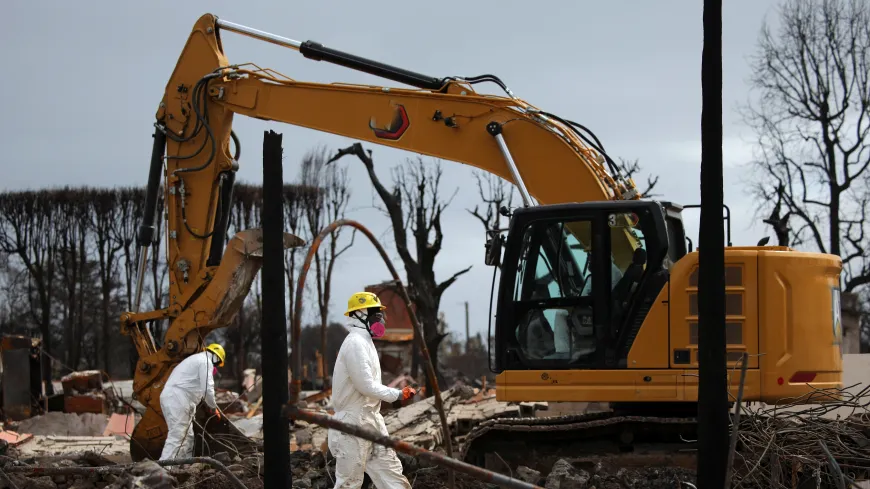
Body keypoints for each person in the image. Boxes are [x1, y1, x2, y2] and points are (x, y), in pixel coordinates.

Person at [329, 292, 416, 489]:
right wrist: (397, 394)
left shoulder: (366, 342)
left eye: (380, 314)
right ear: (359, 314)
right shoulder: (354, 343)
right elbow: (365, 386)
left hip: (371, 421)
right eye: (375, 313)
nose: (380, 319)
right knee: (349, 483)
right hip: (352, 425)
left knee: (391, 475)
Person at [158, 343, 226, 461]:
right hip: (177, 398)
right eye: (218, 364)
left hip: (178, 398)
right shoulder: (205, 362)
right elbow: (207, 388)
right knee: (177, 435)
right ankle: (164, 470)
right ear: (216, 358)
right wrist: (214, 407)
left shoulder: (196, 359)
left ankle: (183, 466)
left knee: (187, 437)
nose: (216, 367)